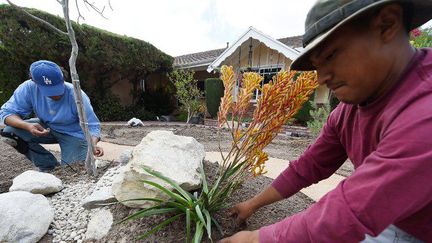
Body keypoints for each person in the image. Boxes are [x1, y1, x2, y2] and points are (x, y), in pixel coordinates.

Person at [220, 0, 432, 242]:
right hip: (392, 217)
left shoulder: (425, 113)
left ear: (387, 24)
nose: (321, 79)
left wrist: (253, 239)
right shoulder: (349, 110)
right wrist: (252, 204)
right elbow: (308, 166)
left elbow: (349, 211)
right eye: (317, 67)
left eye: (331, 55)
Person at [0, 60, 104, 172]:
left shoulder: (76, 95)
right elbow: (6, 113)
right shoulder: (28, 88)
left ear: (63, 78)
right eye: (49, 91)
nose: (56, 94)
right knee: (10, 132)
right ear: (34, 82)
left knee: (73, 171)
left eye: (57, 88)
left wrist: (92, 144)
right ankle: (49, 166)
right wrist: (27, 126)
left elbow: (93, 126)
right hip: (47, 127)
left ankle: (69, 163)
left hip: (75, 135)